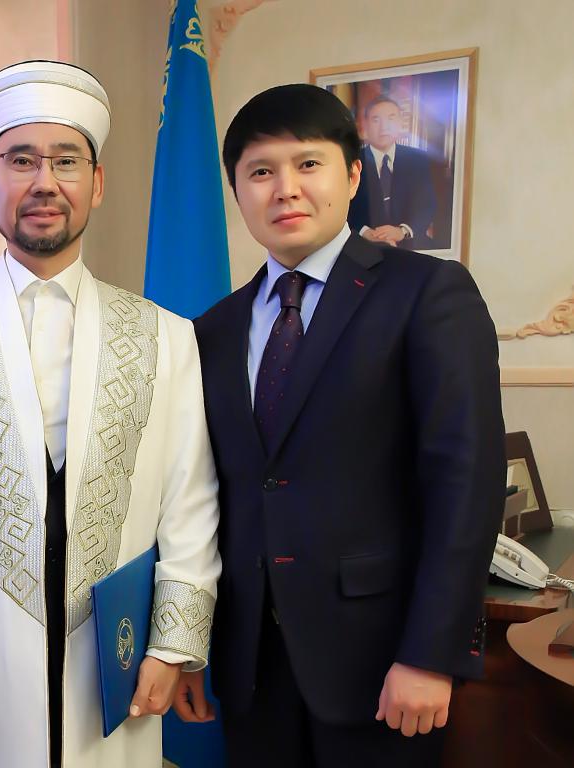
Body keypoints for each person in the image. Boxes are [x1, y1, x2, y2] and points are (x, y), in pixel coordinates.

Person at [0, 60, 221, 767]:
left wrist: (172, 644)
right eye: (21, 160)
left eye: (65, 161)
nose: (44, 182)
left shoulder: (164, 334)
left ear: (97, 182)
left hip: (114, 669)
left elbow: (191, 500)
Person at [182, 83, 505, 767]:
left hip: (383, 665)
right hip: (251, 669)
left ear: (353, 175)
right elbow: (203, 494)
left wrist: (432, 653)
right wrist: (185, 644)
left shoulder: (426, 292)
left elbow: (466, 481)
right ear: (237, 191)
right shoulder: (212, 330)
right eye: (260, 172)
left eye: (308, 164)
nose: (286, 189)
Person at [347, 94, 438, 248]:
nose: (384, 127)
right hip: (362, 243)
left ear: (400, 123)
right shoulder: (351, 161)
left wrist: (402, 231)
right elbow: (342, 208)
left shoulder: (418, 159)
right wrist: (365, 232)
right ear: (365, 124)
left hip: (410, 243)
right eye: (376, 120)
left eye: (391, 118)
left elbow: (427, 204)